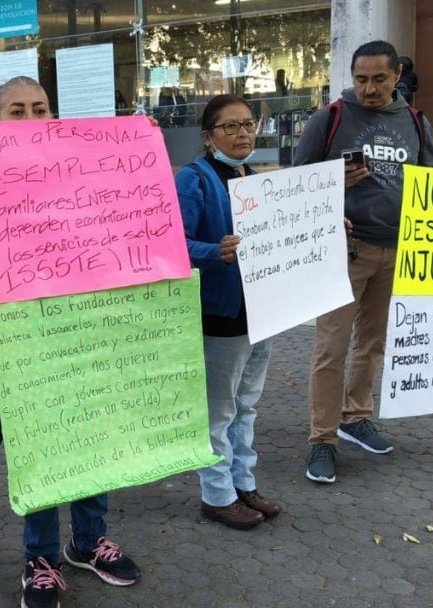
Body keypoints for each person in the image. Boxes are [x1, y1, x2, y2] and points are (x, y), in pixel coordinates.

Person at [0, 75, 141, 608]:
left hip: (84, 337)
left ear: (54, 118)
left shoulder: (82, 183)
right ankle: (41, 559)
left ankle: (89, 542)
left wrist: (138, 149)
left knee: (91, 439)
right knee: (40, 449)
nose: (31, 119)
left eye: (40, 108)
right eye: (16, 111)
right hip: (15, 345)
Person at [293, 40, 433, 484]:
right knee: (331, 349)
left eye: (379, 79)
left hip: (395, 251)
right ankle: (323, 439)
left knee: (372, 343)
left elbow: (429, 185)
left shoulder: (415, 122)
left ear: (397, 76)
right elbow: (296, 183)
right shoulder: (330, 117)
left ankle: (356, 417)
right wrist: (333, 180)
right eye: (361, 79)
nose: (369, 89)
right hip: (343, 251)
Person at [174, 94, 281, 530]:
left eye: (248, 124)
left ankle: (243, 483)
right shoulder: (193, 180)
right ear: (207, 136)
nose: (242, 134)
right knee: (218, 412)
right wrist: (212, 252)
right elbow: (173, 244)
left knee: (246, 405)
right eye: (230, 126)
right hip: (218, 316)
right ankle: (216, 495)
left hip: (260, 312)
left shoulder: (254, 179)